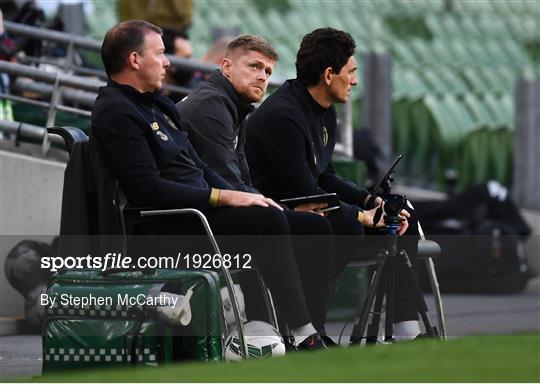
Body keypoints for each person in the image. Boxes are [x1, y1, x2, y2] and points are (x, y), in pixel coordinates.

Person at [91, 19, 330, 350]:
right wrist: (223, 197)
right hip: (166, 228)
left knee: (308, 225)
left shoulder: (158, 104)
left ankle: (286, 328)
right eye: (160, 53)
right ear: (134, 60)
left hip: (195, 215)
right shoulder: (115, 111)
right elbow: (148, 190)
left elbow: (200, 166)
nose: (167, 62)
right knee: (270, 221)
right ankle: (303, 334)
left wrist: (240, 197)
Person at [245, 27, 423, 340]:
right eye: (351, 72)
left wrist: (371, 202)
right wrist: (360, 215)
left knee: (400, 210)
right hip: (282, 213)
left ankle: (405, 327)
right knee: (345, 225)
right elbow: (303, 190)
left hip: (315, 206)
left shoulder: (324, 111)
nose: (354, 81)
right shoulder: (283, 115)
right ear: (330, 74)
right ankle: (311, 331)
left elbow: (324, 176)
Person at [176, 34, 339, 346]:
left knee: (312, 226)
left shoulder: (232, 106)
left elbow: (242, 183)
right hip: (189, 219)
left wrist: (280, 207)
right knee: (287, 225)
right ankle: (303, 334)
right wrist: (278, 209)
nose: (262, 76)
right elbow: (227, 184)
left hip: (211, 210)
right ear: (225, 66)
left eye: (267, 71)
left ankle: (297, 331)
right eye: (254, 66)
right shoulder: (211, 105)